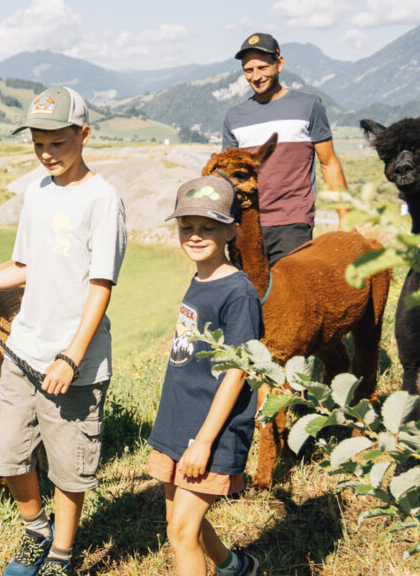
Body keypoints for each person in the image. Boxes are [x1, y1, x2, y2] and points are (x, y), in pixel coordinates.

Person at [0, 85, 126, 576]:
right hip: (22, 351)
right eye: (38, 143)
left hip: (72, 363)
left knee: (67, 468)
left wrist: (71, 356)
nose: (46, 153)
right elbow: (23, 263)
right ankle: (35, 531)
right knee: (9, 458)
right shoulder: (37, 192)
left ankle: (61, 552)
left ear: (83, 136)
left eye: (57, 142)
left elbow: (101, 286)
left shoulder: (103, 200)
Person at [151, 175, 263, 576]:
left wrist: (203, 443)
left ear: (232, 230)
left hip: (211, 434)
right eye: (187, 226)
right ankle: (234, 565)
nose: (195, 235)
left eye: (208, 227)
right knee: (180, 526)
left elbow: (236, 372)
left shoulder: (239, 293)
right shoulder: (201, 278)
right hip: (179, 421)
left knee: (182, 534)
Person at [220, 33, 348, 263]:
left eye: (262, 67)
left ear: (279, 64)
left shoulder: (308, 105)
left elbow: (329, 163)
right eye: (249, 70)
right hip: (246, 225)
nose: (256, 76)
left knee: (291, 296)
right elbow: (227, 179)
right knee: (248, 297)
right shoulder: (234, 117)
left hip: (293, 223)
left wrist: (345, 218)